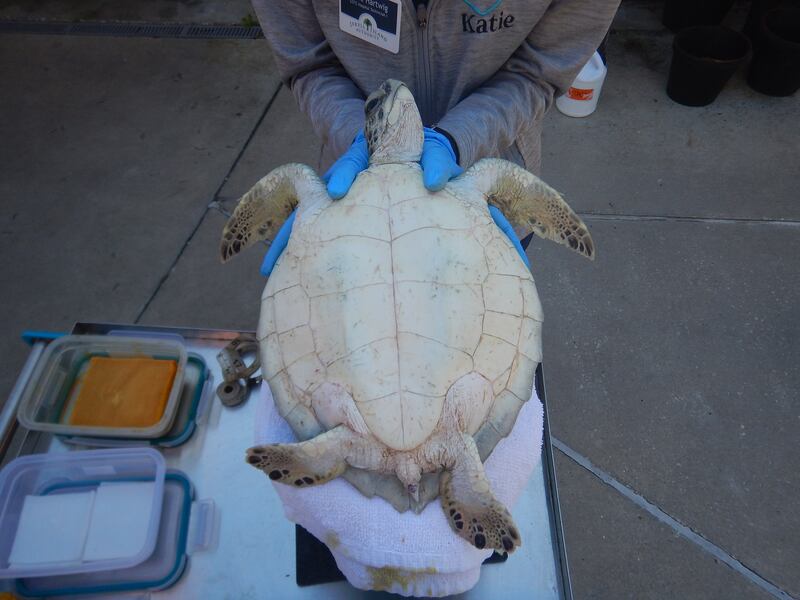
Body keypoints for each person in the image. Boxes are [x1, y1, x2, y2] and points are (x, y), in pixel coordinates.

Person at [251, 0, 620, 275]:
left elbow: (539, 72)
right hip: (355, 186)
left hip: (485, 189)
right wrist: (357, 136)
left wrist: (457, 139)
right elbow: (309, 64)